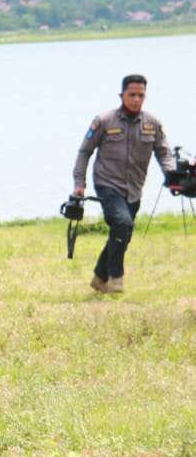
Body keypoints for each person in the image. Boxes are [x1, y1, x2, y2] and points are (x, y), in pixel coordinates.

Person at [73, 73, 174, 293]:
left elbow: (164, 153)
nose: (136, 99)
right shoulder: (104, 121)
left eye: (141, 95)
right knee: (122, 224)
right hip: (107, 184)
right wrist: (79, 183)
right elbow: (84, 152)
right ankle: (116, 280)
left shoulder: (152, 124)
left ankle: (99, 278)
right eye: (132, 95)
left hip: (134, 189)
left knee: (122, 232)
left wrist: (172, 175)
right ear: (122, 95)